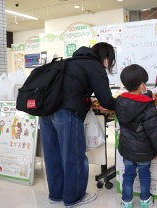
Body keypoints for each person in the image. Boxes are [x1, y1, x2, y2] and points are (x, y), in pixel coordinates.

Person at [39, 42, 116, 208]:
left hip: (45, 111)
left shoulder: (69, 62)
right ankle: (74, 198)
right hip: (66, 111)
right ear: (106, 58)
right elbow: (107, 101)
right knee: (73, 156)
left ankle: (55, 195)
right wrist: (128, 102)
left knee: (53, 156)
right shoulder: (94, 66)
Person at [116, 64, 157, 208]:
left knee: (128, 176)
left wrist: (146, 95)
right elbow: (155, 135)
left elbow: (133, 102)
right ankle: (145, 200)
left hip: (127, 150)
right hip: (143, 152)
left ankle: (126, 201)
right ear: (142, 85)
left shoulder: (120, 102)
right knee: (144, 175)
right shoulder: (147, 107)